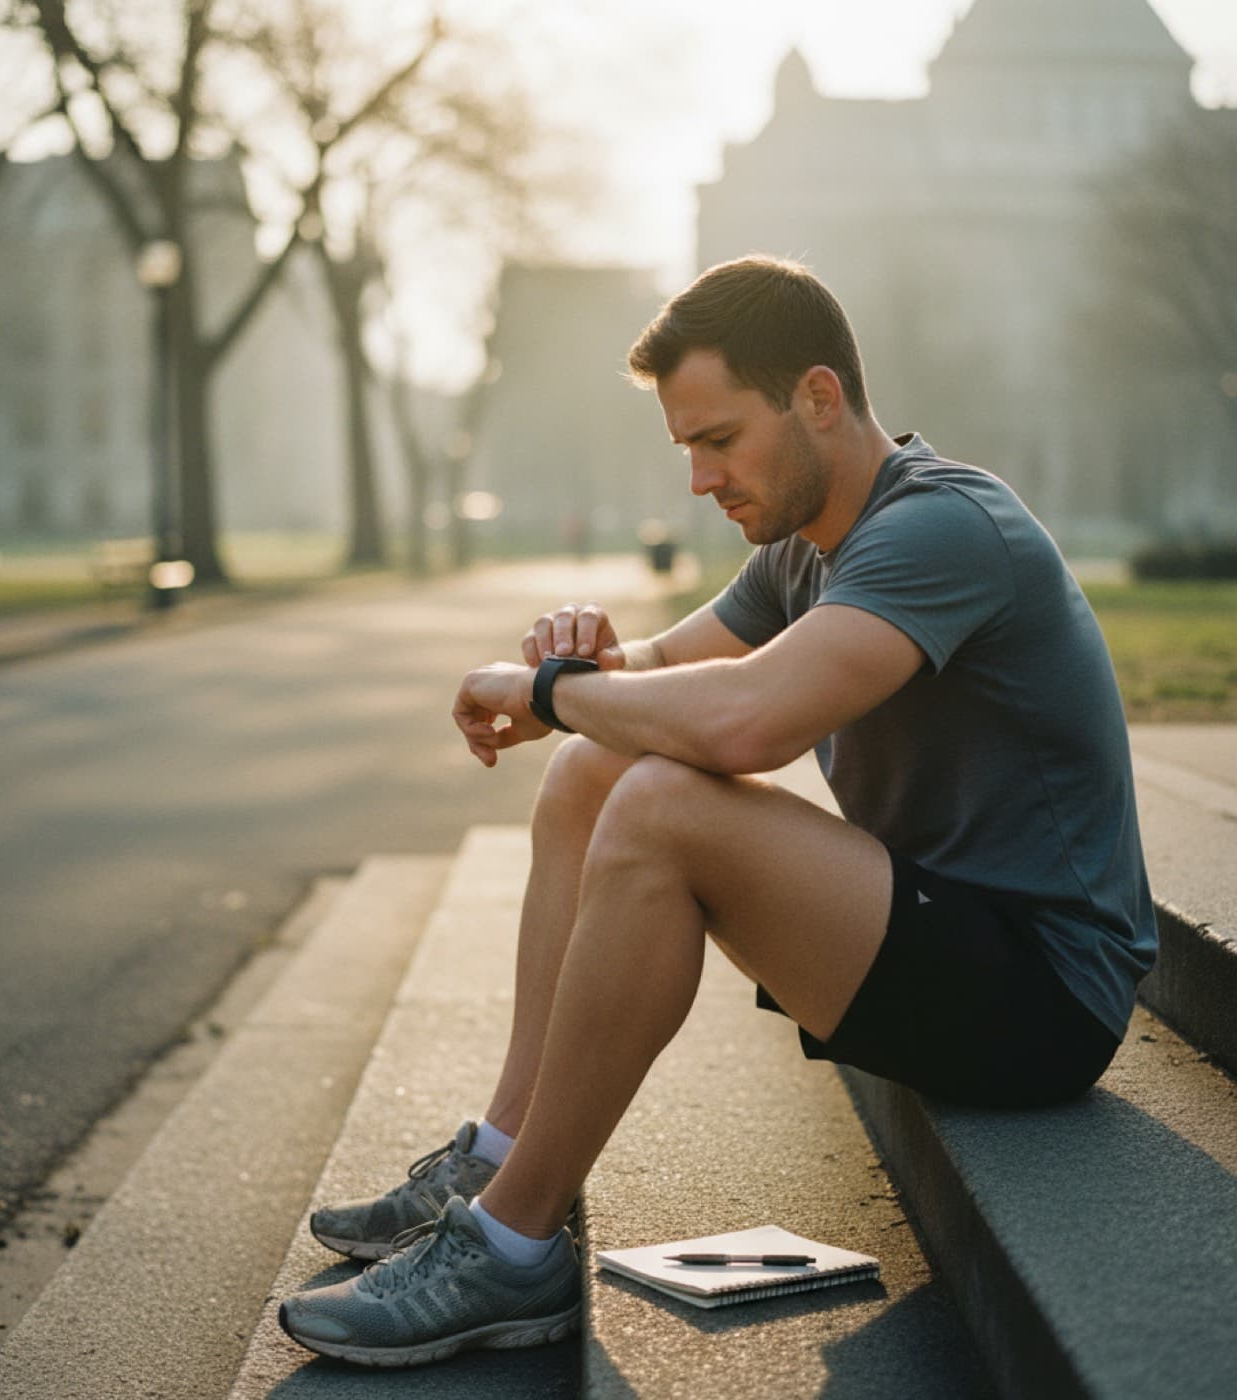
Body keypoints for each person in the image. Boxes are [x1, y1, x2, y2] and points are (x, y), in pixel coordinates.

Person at [277, 255, 1156, 1368]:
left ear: (818, 398)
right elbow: (654, 667)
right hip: (938, 938)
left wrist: (554, 694)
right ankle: (497, 1157)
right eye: (686, 446)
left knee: (657, 808)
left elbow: (746, 724)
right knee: (595, 772)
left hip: (1041, 994)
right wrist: (568, 659)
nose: (697, 478)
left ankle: (510, 1244)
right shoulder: (803, 545)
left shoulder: (942, 526)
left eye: (718, 439)